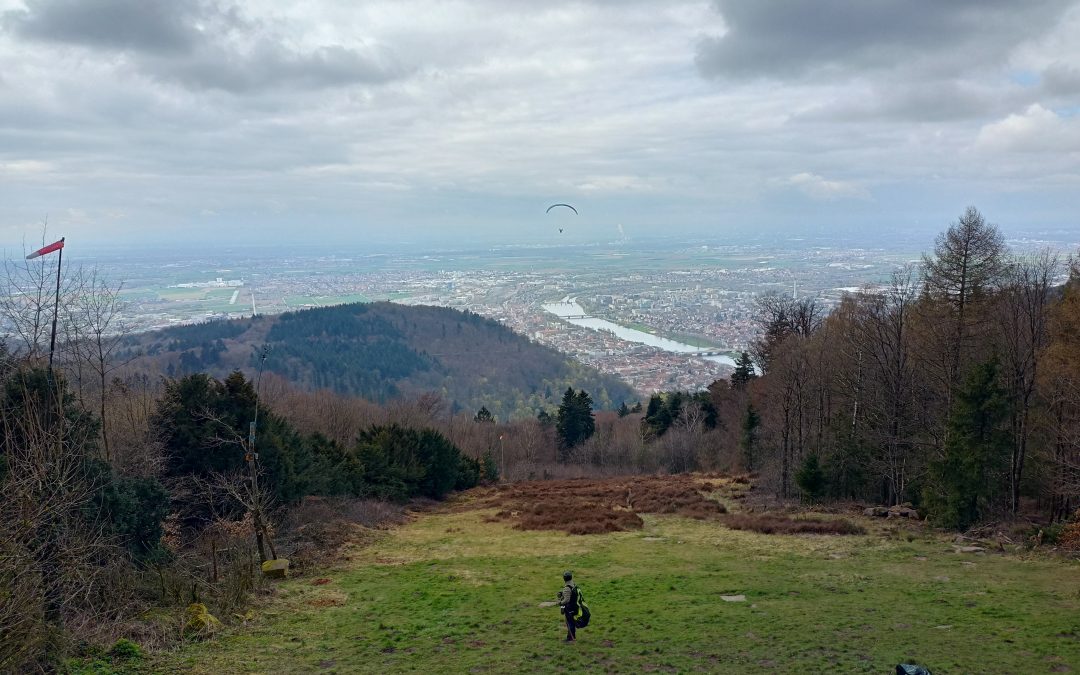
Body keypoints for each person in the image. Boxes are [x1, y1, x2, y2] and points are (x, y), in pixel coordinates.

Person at [557, 570, 578, 642]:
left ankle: (570, 639)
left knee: (570, 623)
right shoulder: (573, 584)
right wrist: (562, 593)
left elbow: (566, 600)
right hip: (575, 606)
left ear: (564, 578)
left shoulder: (567, 588)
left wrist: (560, 603)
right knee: (571, 622)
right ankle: (572, 637)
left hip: (570, 608)